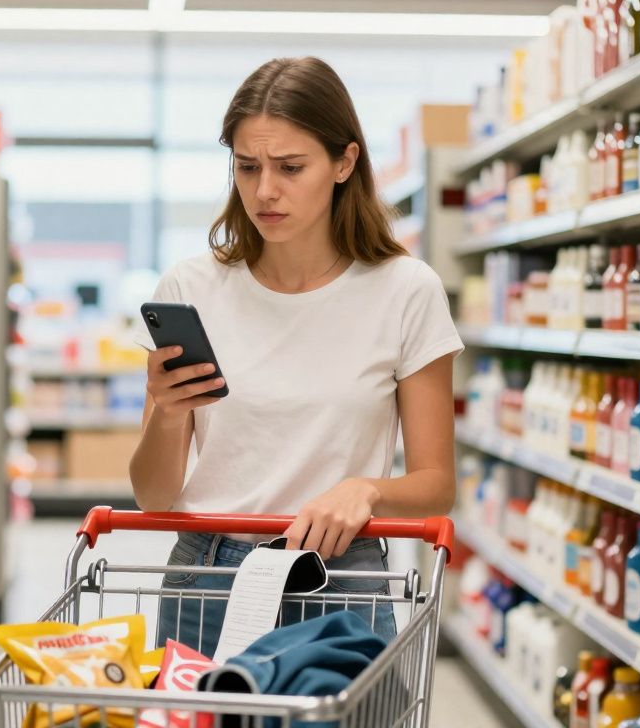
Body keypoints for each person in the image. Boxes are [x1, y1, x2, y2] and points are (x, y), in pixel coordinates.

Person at [130, 56, 463, 656]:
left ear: (344, 162)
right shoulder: (189, 289)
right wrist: (168, 412)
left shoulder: (406, 291)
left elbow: (437, 485)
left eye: (290, 167)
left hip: (342, 576)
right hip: (208, 576)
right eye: (246, 166)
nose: (264, 190)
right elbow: (152, 496)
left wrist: (368, 489)